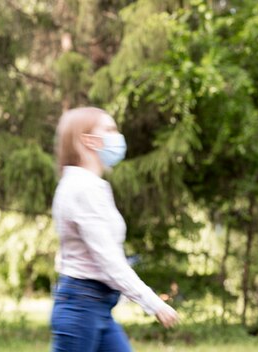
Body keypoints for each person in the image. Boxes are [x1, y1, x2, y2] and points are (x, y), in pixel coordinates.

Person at [50, 107, 179, 352]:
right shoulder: (81, 188)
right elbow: (109, 260)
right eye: (109, 129)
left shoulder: (91, 186)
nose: (117, 136)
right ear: (88, 140)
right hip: (81, 308)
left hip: (97, 306)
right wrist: (154, 303)